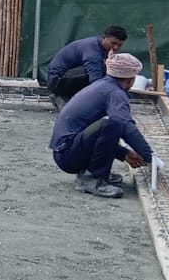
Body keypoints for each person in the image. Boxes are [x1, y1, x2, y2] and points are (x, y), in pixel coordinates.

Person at [49, 51, 153, 199]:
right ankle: (93, 179)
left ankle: (93, 173)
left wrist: (124, 154)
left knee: (110, 124)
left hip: (65, 151)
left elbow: (93, 133)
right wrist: (150, 157)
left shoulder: (102, 85)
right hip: (68, 155)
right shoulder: (115, 93)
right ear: (131, 79)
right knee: (112, 124)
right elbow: (125, 125)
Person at [44, 26, 127, 108]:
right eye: (113, 43)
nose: (116, 47)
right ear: (104, 37)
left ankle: (66, 97)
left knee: (106, 69)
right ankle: (63, 96)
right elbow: (95, 80)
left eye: (119, 45)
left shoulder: (101, 46)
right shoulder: (93, 51)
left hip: (65, 77)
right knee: (100, 70)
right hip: (56, 81)